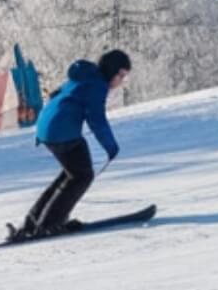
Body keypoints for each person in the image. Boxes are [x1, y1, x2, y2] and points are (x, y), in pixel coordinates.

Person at [8, 48, 131, 241]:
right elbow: (96, 119)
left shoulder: (85, 77)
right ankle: (49, 224)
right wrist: (111, 146)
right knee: (82, 175)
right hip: (61, 131)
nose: (121, 81)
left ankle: (33, 223)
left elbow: (58, 96)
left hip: (48, 128)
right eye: (121, 75)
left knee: (71, 174)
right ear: (113, 70)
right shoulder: (97, 84)